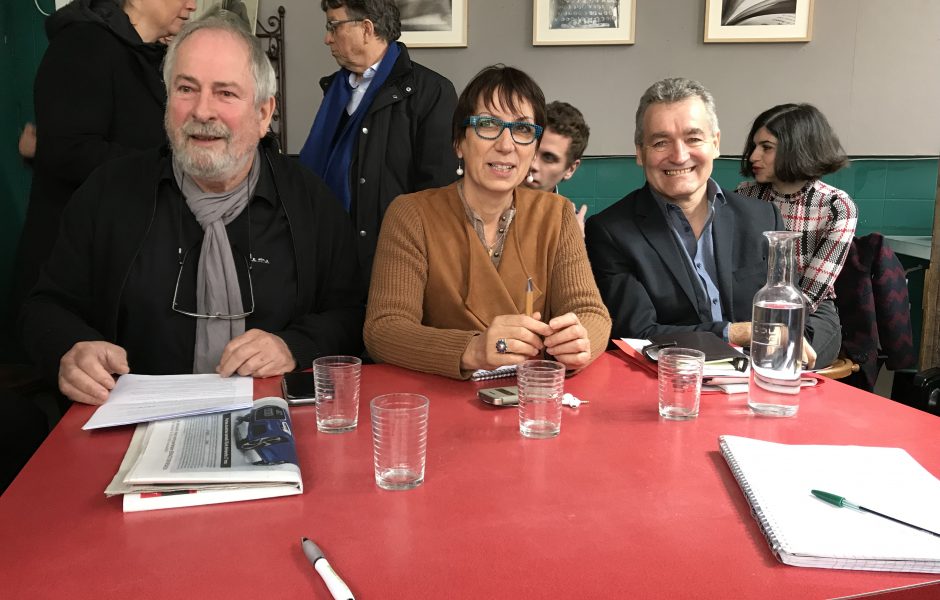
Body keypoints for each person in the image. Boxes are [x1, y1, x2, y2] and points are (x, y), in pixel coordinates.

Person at [21, 8, 364, 406]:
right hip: (129, 431)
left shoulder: (310, 202)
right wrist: (70, 349)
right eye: (186, 89)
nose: (203, 111)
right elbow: (44, 307)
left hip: (274, 431)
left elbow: (351, 313)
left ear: (264, 113)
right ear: (168, 101)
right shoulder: (108, 193)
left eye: (226, 93)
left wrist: (294, 346)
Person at [363, 65, 611, 379]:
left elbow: (591, 312)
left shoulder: (557, 214)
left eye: (522, 130)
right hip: (440, 401)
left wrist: (581, 339)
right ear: (458, 142)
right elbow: (384, 329)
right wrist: (473, 350)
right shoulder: (411, 214)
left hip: (533, 402)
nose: (506, 145)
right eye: (487, 125)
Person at [585, 77, 821, 367]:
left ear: (715, 143)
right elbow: (638, 335)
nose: (679, 155)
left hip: (760, 380)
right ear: (640, 152)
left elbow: (789, 316)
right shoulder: (611, 232)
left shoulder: (763, 218)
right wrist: (741, 332)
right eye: (661, 142)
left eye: (693, 138)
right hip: (669, 385)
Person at [10, 0, 197, 326]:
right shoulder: (83, 43)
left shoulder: (153, 57)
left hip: (130, 270)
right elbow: (69, 152)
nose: (192, 4)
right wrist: (175, 165)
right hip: (77, 281)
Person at [299, 0, 458, 279]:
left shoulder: (432, 92)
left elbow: (437, 195)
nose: (327, 38)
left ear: (366, 29)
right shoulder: (335, 90)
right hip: (328, 258)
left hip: (393, 263)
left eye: (333, 26)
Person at [736, 103, 857, 368]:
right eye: (754, 146)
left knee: (786, 355)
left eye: (766, 147)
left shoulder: (837, 206)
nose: (754, 156)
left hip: (810, 313)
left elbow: (812, 291)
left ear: (798, 147)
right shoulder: (744, 196)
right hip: (748, 307)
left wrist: (771, 331)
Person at [525, 100, 590, 234]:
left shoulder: (573, 227)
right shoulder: (482, 206)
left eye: (548, 158)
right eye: (531, 149)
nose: (533, 164)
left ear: (570, 170)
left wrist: (571, 245)